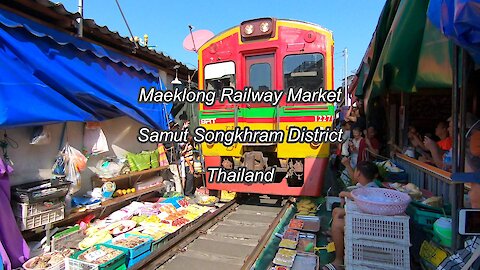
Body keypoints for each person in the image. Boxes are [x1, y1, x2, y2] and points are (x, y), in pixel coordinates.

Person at [323, 160, 380, 270]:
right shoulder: (369, 185)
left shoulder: (370, 190)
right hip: (363, 217)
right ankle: (335, 237)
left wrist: (344, 195)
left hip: (366, 224)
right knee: (336, 211)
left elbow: (363, 203)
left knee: (338, 222)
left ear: (358, 173)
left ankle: (339, 261)